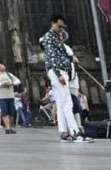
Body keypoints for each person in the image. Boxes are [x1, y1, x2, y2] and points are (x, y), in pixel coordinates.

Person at [40, 14, 93, 143]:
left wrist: (71, 58)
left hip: (61, 71)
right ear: (52, 23)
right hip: (58, 72)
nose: (61, 29)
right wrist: (58, 74)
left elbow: (60, 55)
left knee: (60, 103)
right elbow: (52, 57)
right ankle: (75, 133)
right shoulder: (48, 37)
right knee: (67, 103)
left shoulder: (56, 38)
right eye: (59, 26)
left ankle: (64, 133)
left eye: (63, 27)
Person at [0, 63, 21, 134]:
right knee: (5, 112)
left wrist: (11, 83)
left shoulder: (9, 74)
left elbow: (18, 81)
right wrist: (1, 84)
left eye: (1, 65)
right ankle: (7, 128)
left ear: (5, 66)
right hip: (2, 97)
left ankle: (10, 127)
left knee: (11, 113)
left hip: (10, 96)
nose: (0, 66)